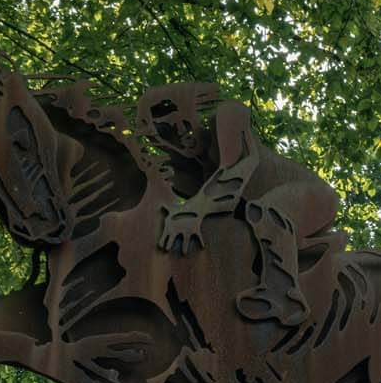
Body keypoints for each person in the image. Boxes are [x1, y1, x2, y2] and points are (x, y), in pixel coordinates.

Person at [135, 83, 340, 328]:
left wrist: (192, 211)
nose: (181, 137)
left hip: (311, 197)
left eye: (183, 124)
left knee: (268, 210)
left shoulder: (227, 114)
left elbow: (237, 168)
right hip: (256, 216)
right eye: (166, 136)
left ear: (192, 110)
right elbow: (194, 193)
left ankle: (285, 296)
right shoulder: (193, 167)